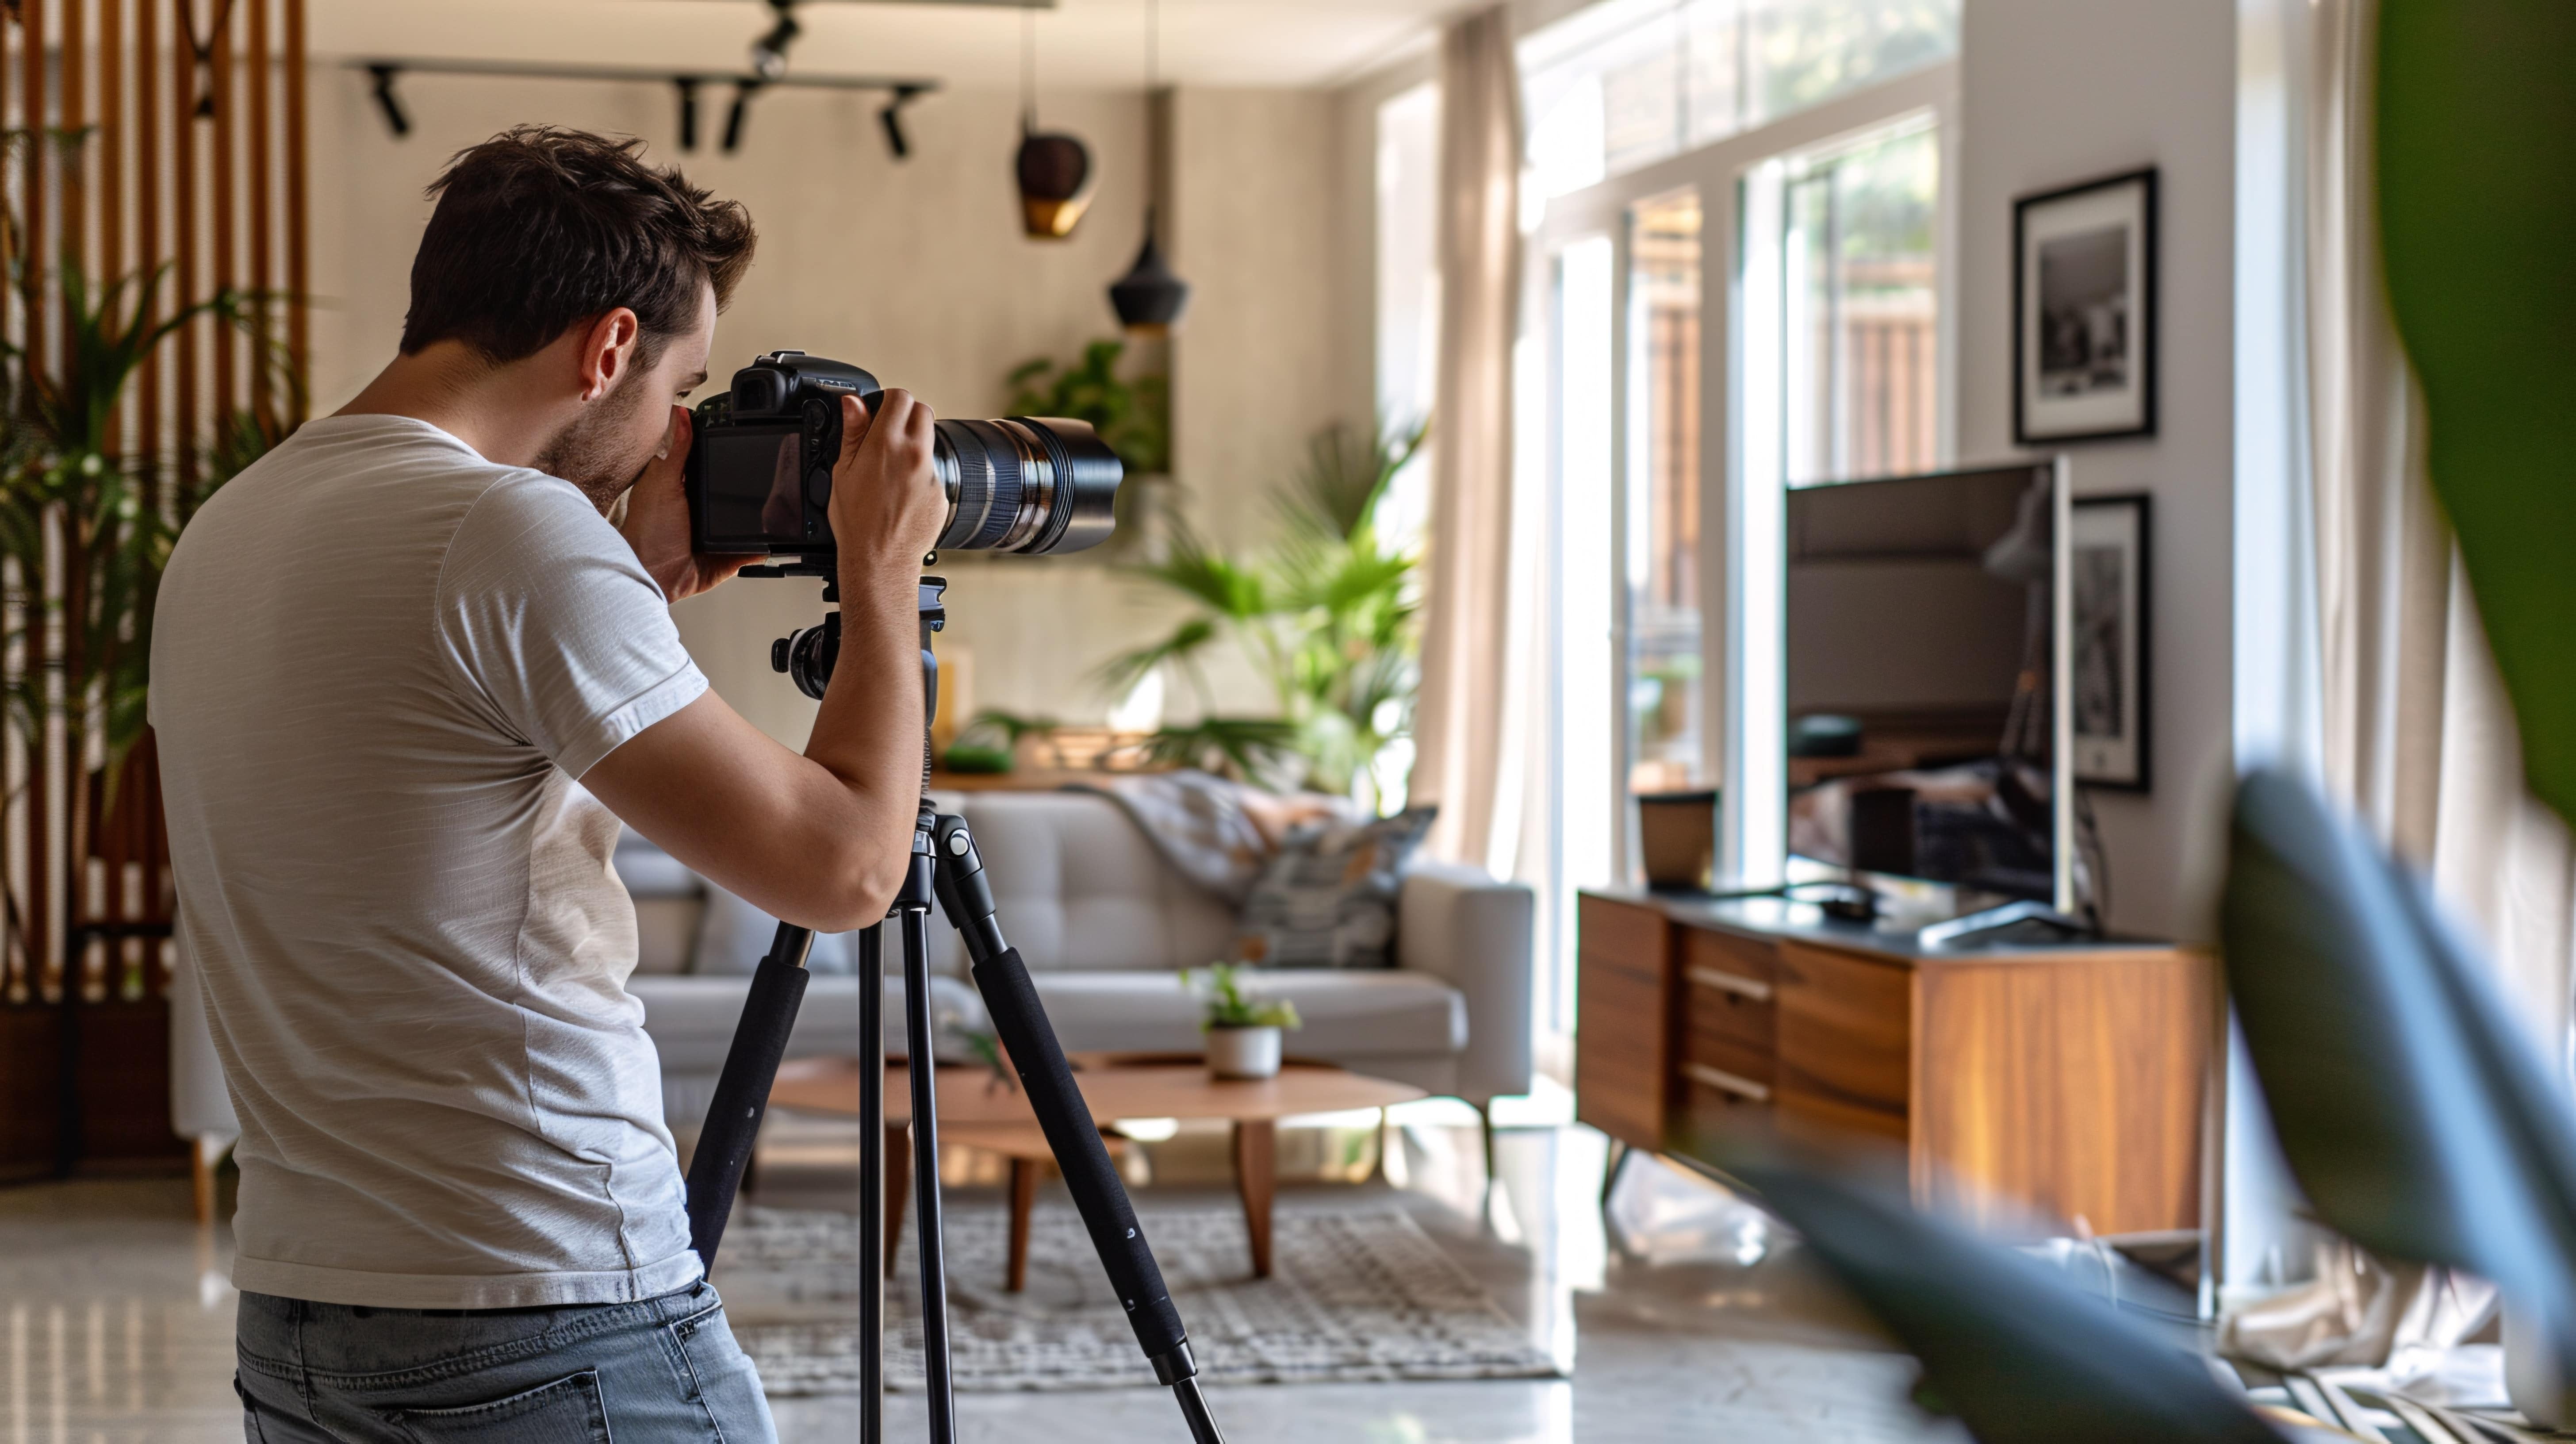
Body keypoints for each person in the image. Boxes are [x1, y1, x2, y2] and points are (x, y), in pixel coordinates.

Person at [151, 125, 946, 1442]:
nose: (667, 438)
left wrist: (629, 590)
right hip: (544, 1300)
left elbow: (440, 781)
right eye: (678, 385)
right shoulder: (511, 534)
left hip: (306, 1317)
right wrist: (879, 573)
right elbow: (849, 870)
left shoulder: (233, 525)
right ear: (609, 349)